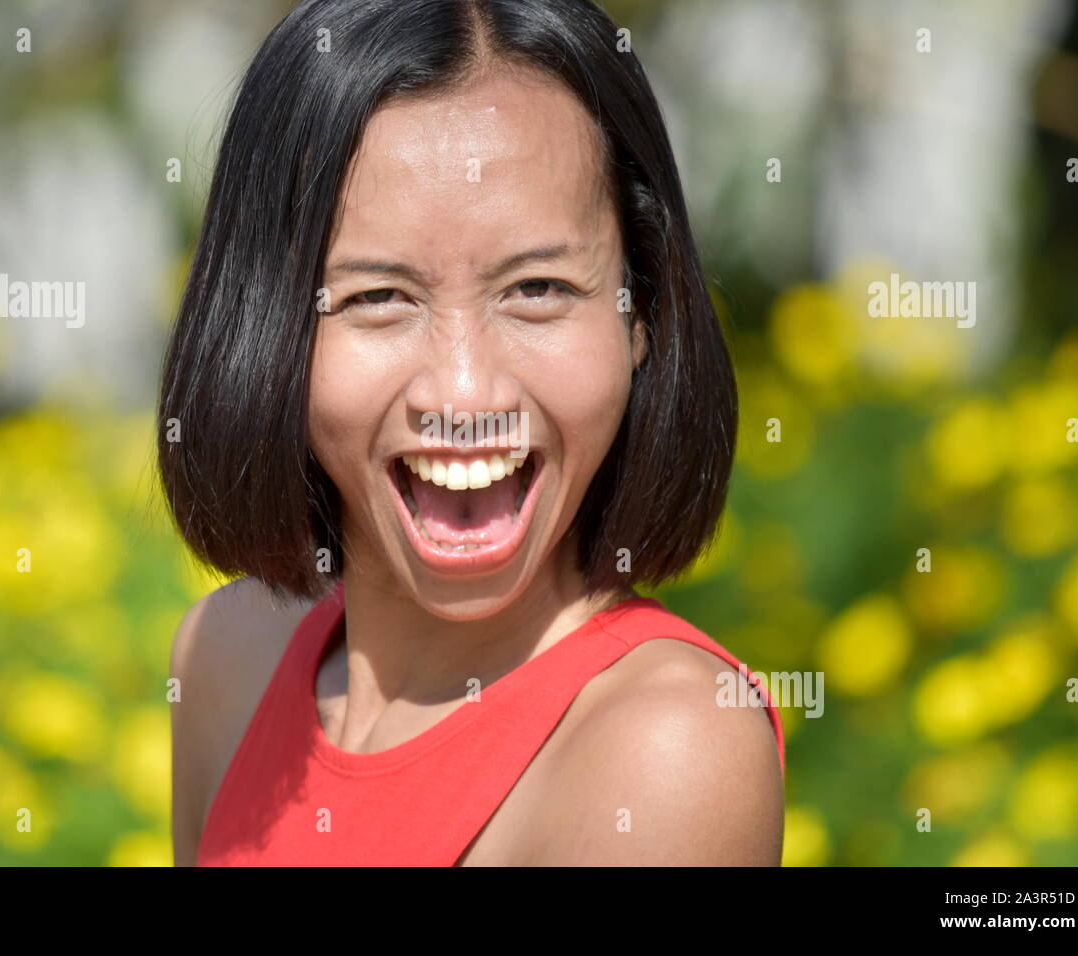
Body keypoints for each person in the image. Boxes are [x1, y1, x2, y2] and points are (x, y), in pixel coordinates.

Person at [158, 0, 785, 866]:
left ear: (641, 314)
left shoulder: (664, 744)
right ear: (265, 329)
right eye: (379, 298)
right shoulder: (228, 655)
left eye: (538, 289)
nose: (463, 392)